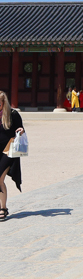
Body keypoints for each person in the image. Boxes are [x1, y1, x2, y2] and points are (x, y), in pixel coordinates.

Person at [0, 91, 24, 221]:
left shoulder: (13, 114)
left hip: (8, 150)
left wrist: (21, 130)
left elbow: (20, 127)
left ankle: (3, 208)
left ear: (4, 103)